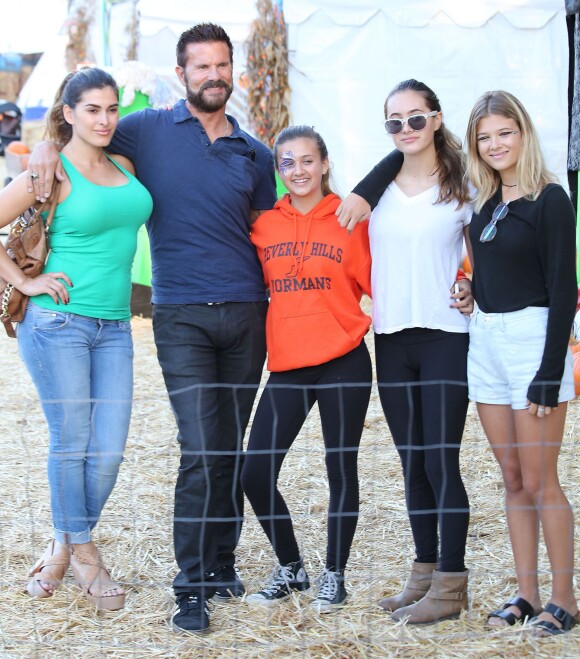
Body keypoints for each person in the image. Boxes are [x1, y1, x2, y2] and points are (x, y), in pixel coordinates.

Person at [27, 23, 276, 635]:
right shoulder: (146, 129)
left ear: (233, 72)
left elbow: (273, 236)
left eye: (222, 66)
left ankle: (220, 563)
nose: (213, 75)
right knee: (198, 448)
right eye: (201, 67)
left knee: (230, 448)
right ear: (182, 73)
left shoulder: (255, 152)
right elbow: (81, 132)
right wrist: (40, 149)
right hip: (180, 314)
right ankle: (189, 584)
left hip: (246, 313)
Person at [0, 67, 153, 611]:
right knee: (74, 441)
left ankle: (62, 541)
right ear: (67, 113)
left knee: (108, 451)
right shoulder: (51, 172)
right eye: (92, 109)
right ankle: (86, 553)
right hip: (57, 323)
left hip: (115, 326)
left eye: (112, 108)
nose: (105, 119)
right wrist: (24, 280)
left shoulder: (124, 164)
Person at [334, 79, 473, 624]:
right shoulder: (378, 189)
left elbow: (486, 252)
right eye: (395, 122)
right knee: (411, 462)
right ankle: (424, 573)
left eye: (417, 118)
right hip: (391, 339)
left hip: (445, 337)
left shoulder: (464, 187)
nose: (407, 129)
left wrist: (475, 287)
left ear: (437, 119)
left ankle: (452, 584)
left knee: (441, 460)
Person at [240, 125, 372, 613]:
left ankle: (334, 574)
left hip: (344, 360)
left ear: (325, 163)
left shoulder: (349, 219)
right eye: (288, 163)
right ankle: (291, 567)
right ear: (278, 170)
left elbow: (384, 280)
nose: (299, 171)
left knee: (341, 468)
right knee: (254, 472)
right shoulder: (264, 227)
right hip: (290, 364)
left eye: (308, 160)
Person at [465, 90, 578, 636]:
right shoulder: (484, 204)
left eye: (504, 133)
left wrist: (550, 369)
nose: (494, 145)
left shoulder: (551, 198)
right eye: (484, 137)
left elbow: (564, 291)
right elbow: (490, 276)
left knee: (539, 480)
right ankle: (527, 593)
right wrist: (470, 292)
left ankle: (565, 598)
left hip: (534, 342)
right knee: (511, 478)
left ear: (524, 133)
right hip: (484, 341)